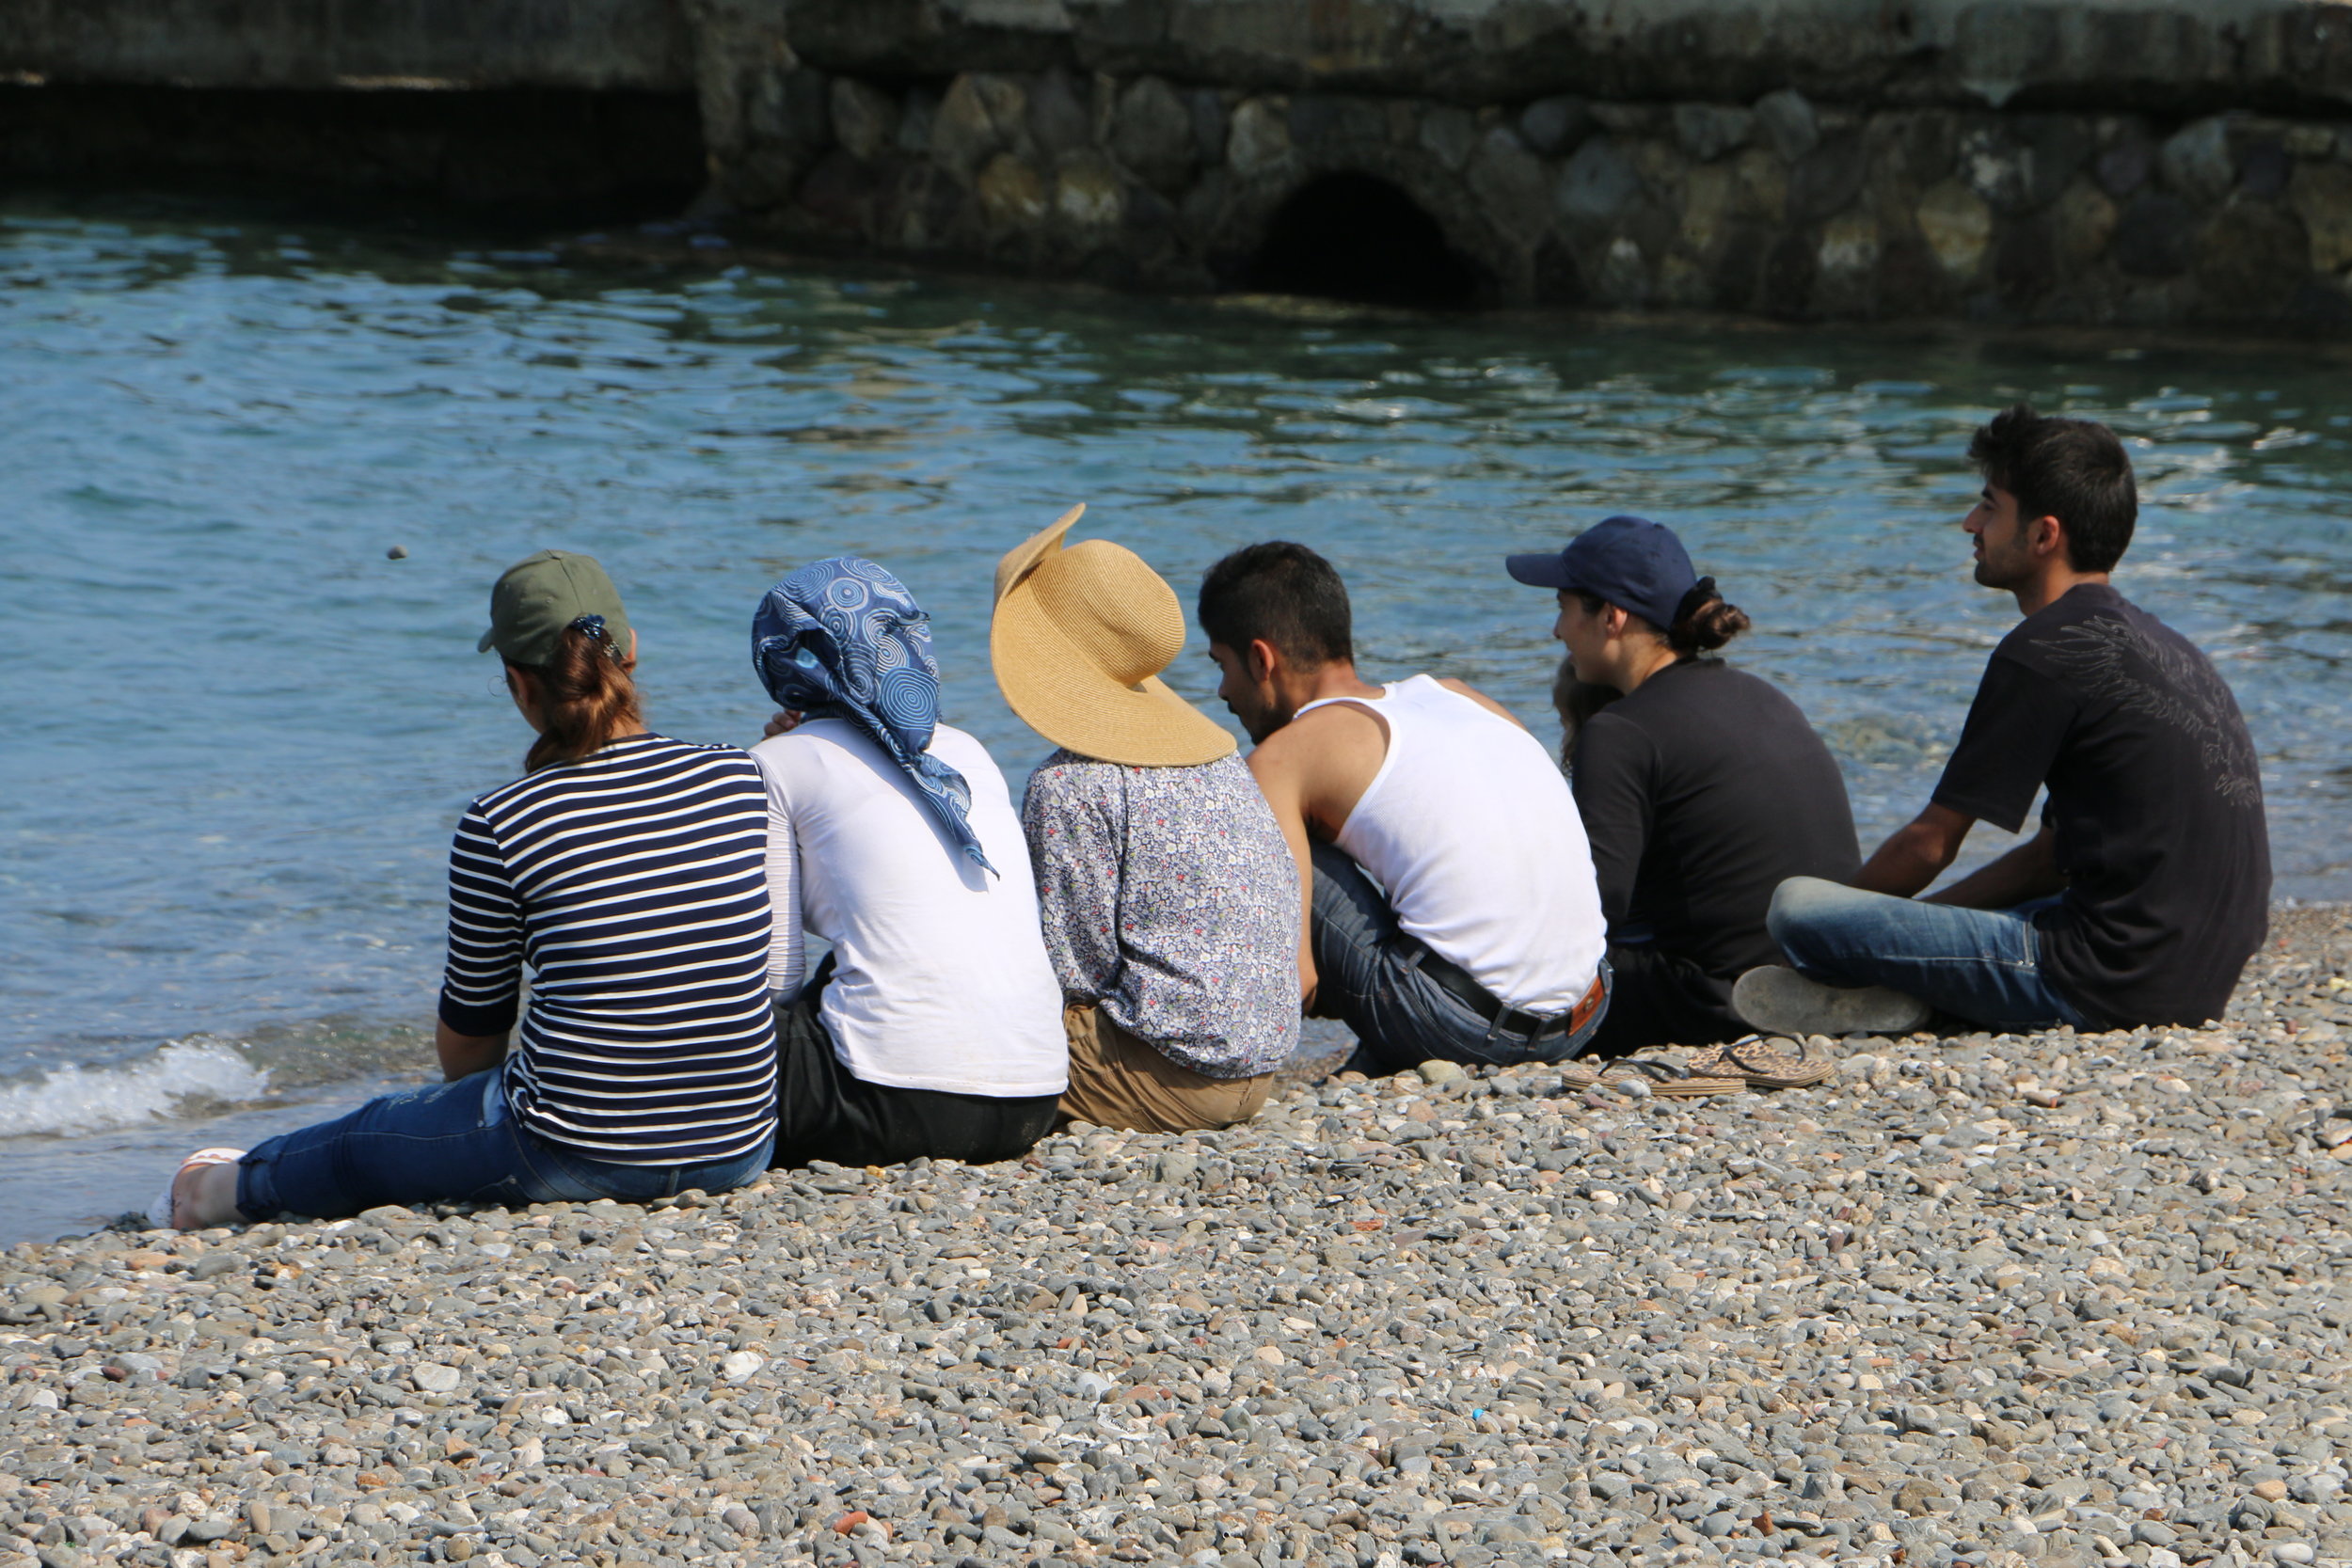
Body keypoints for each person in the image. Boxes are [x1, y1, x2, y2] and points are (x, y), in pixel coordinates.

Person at [157, 549, 779, 1228]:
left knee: (369, 1137)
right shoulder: (737, 775)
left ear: (518, 682)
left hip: (574, 1151)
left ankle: (218, 1191)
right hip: (740, 1143)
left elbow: (470, 1044)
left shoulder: (503, 819)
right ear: (631, 651)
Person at [1738, 404, 2271, 1037]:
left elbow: (1930, 842)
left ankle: (1895, 995)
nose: (1971, 522)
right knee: (1874, 924)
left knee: (1798, 909)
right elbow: (2047, 860)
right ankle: (1908, 993)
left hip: (2100, 981)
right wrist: (1910, 938)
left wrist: (1851, 926)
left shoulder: (2045, 648)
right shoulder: (2172, 650)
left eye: (1990, 507)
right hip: (2194, 979)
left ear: (2045, 535)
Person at [1199, 541, 1611, 1071]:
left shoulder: (1282, 758)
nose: (1221, 690)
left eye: (1221, 664)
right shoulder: (1464, 697)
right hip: (1588, 1012)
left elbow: (1294, 982)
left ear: (1261, 658)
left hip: (1459, 1029)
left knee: (1276, 836)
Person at [751, 556, 1067, 1166]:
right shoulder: (966, 752)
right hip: (1035, 1098)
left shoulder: (777, 763)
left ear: (783, 654)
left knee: (698, 1023)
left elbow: (775, 977)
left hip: (890, 1103)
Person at [992, 506, 1299, 1133]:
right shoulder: (1218, 757)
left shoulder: (1069, 784)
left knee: (942, 1033)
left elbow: (1074, 972)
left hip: (1163, 1075)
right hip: (1257, 1069)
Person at [1508, 516, 1861, 1054]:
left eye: (1563, 607)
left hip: (1710, 1000)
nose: (1556, 631)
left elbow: (1597, 906)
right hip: (1822, 967)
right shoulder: (1763, 695)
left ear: (1611, 615)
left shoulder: (1621, 731)